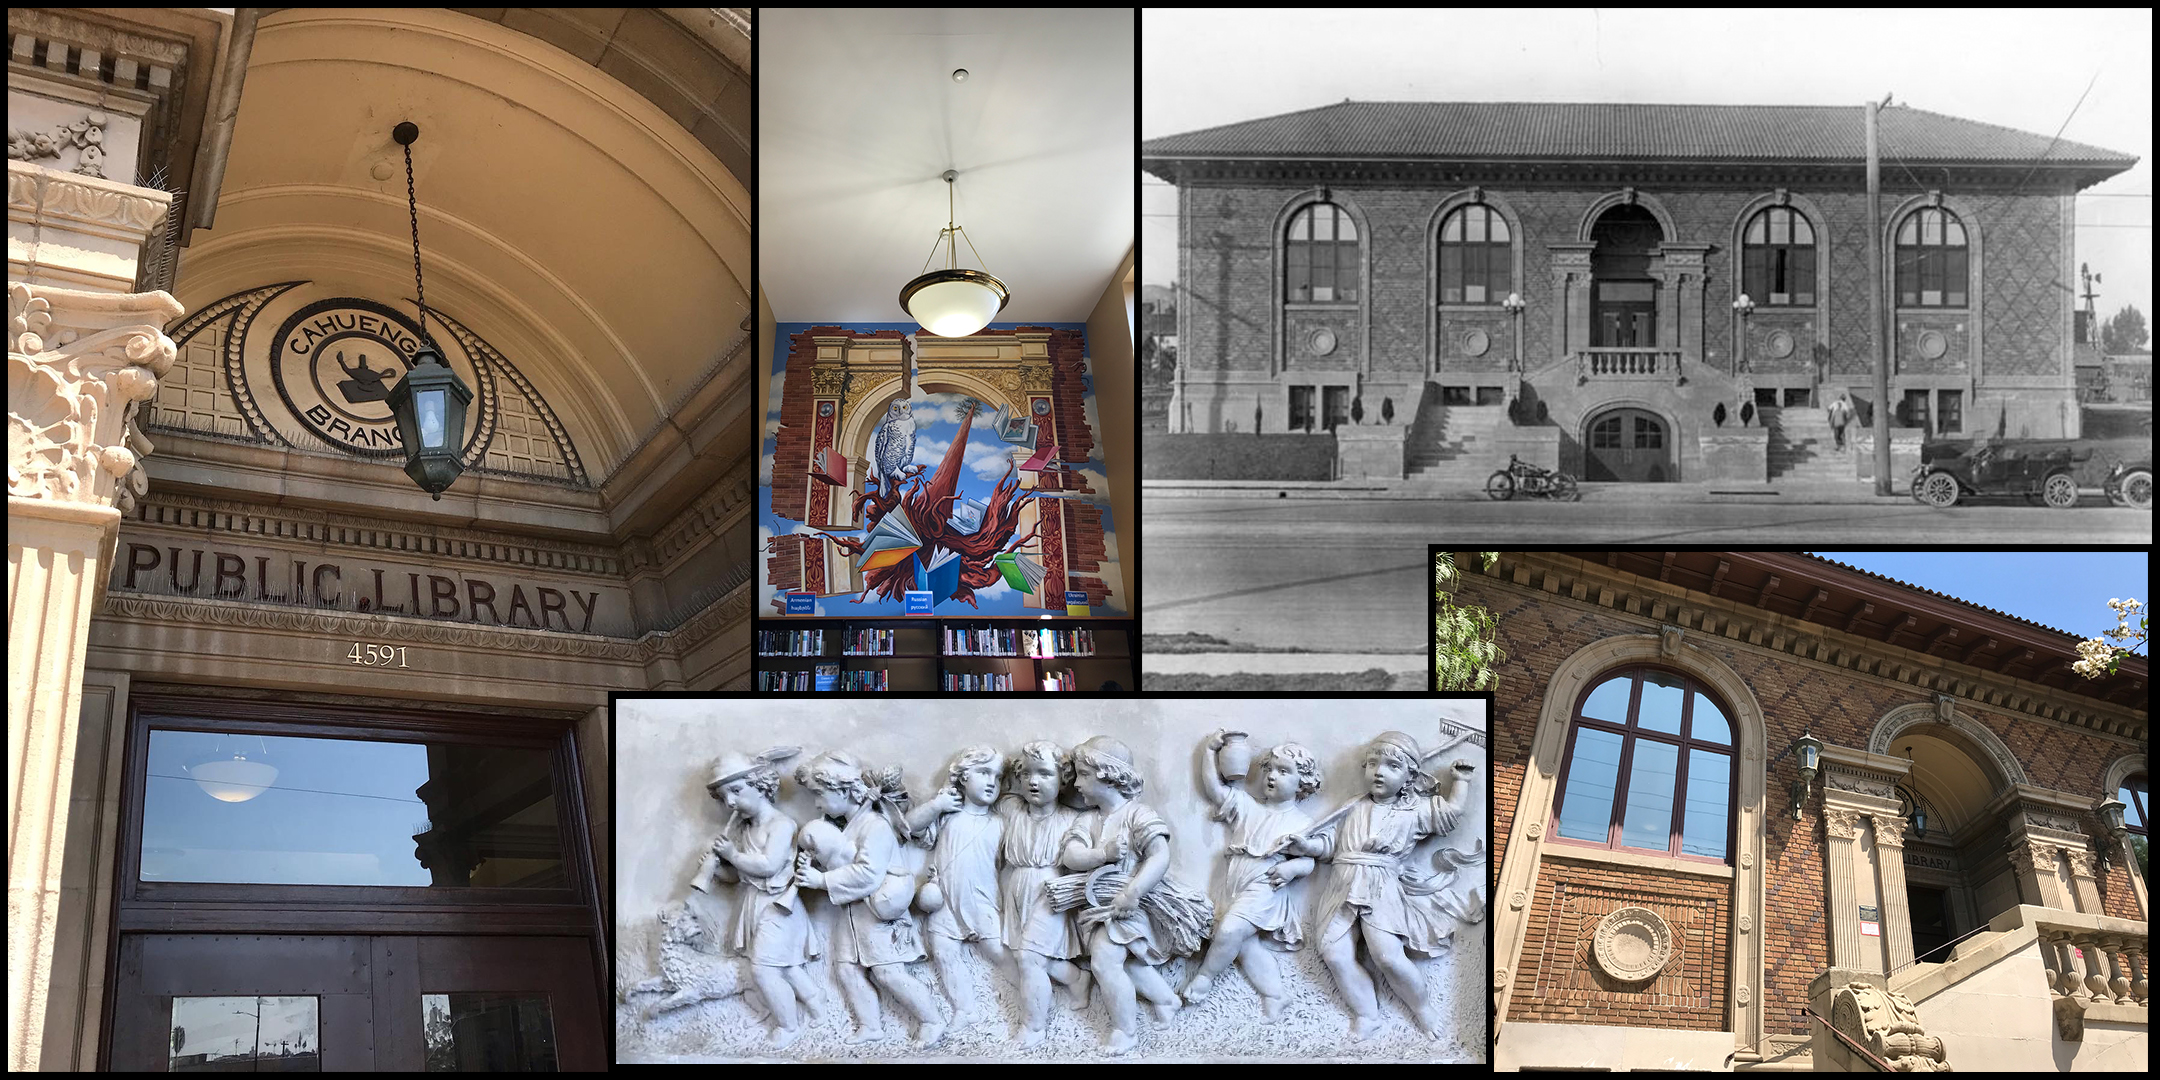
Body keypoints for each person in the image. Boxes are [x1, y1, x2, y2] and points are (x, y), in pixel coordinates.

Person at [793, 751, 945, 1047]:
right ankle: (870, 1025)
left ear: (844, 790)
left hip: (878, 912)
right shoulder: (851, 825)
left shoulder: (876, 825)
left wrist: (821, 880)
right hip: (854, 914)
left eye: (820, 794)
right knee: (846, 970)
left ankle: (931, 1020)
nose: (817, 803)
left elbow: (868, 874)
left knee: (888, 973)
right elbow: (843, 861)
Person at [1181, 734, 1322, 1020]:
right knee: (1243, 944)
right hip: (1235, 882)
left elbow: (1310, 860)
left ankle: (1204, 978)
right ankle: (1275, 994)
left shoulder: (1301, 823)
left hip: (1266, 884)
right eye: (1270, 769)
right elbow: (1215, 790)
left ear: (1302, 783)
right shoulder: (1247, 807)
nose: (1272, 776)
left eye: (1284, 772)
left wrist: (1292, 867)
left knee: (1230, 931)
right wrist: (1209, 752)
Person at [692, 748, 823, 1048]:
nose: (731, 802)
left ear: (761, 785)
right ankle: (818, 1004)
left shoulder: (781, 825)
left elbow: (769, 866)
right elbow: (740, 877)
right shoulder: (745, 829)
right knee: (786, 967)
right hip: (755, 903)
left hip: (779, 907)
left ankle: (789, 1026)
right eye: (725, 796)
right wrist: (715, 870)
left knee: (764, 970)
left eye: (736, 791)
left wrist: (732, 855)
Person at [905, 747, 1008, 1033]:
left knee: (997, 951)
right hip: (944, 900)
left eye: (998, 777)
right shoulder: (948, 814)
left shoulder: (999, 823)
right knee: (943, 952)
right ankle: (965, 1009)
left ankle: (1029, 989)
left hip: (982, 900)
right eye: (984, 772)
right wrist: (936, 805)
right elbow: (910, 827)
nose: (991, 782)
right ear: (962, 777)